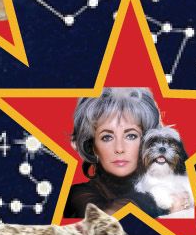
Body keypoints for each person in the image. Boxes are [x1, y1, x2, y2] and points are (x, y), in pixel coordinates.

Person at [63, 86, 166, 222]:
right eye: (107, 137)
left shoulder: (170, 186)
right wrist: (163, 201)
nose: (119, 148)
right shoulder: (76, 196)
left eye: (131, 136)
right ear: (92, 146)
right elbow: (105, 222)